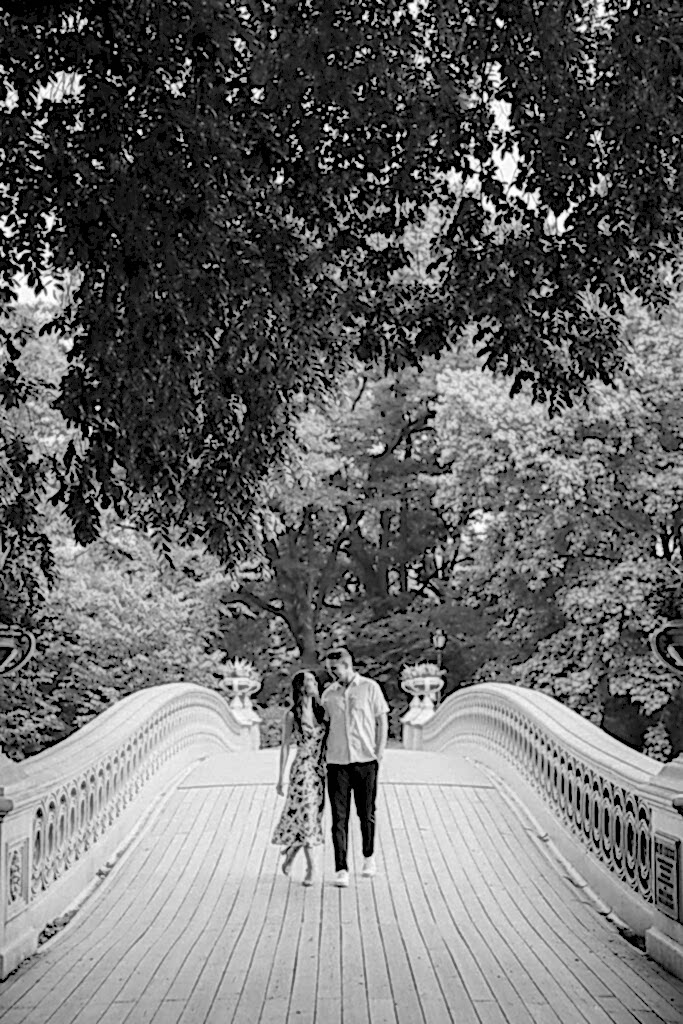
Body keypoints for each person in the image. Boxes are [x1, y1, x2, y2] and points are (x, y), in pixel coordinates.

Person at [321, 647, 389, 888]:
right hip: (337, 762)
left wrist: (379, 752)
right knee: (339, 817)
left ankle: (368, 857)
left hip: (365, 760)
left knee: (366, 813)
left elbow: (382, 719)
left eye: (335, 668)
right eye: (329, 670)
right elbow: (324, 727)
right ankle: (341, 868)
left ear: (348, 664)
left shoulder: (369, 688)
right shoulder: (328, 694)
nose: (331, 673)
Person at [272, 670, 327, 886]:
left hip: (319, 770)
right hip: (302, 769)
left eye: (314, 680)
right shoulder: (292, 715)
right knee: (306, 816)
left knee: (313, 817)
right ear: (301, 687)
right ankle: (311, 868)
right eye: (310, 681)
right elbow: (285, 747)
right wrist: (280, 777)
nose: (314, 684)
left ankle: (291, 855)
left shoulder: (322, 711)